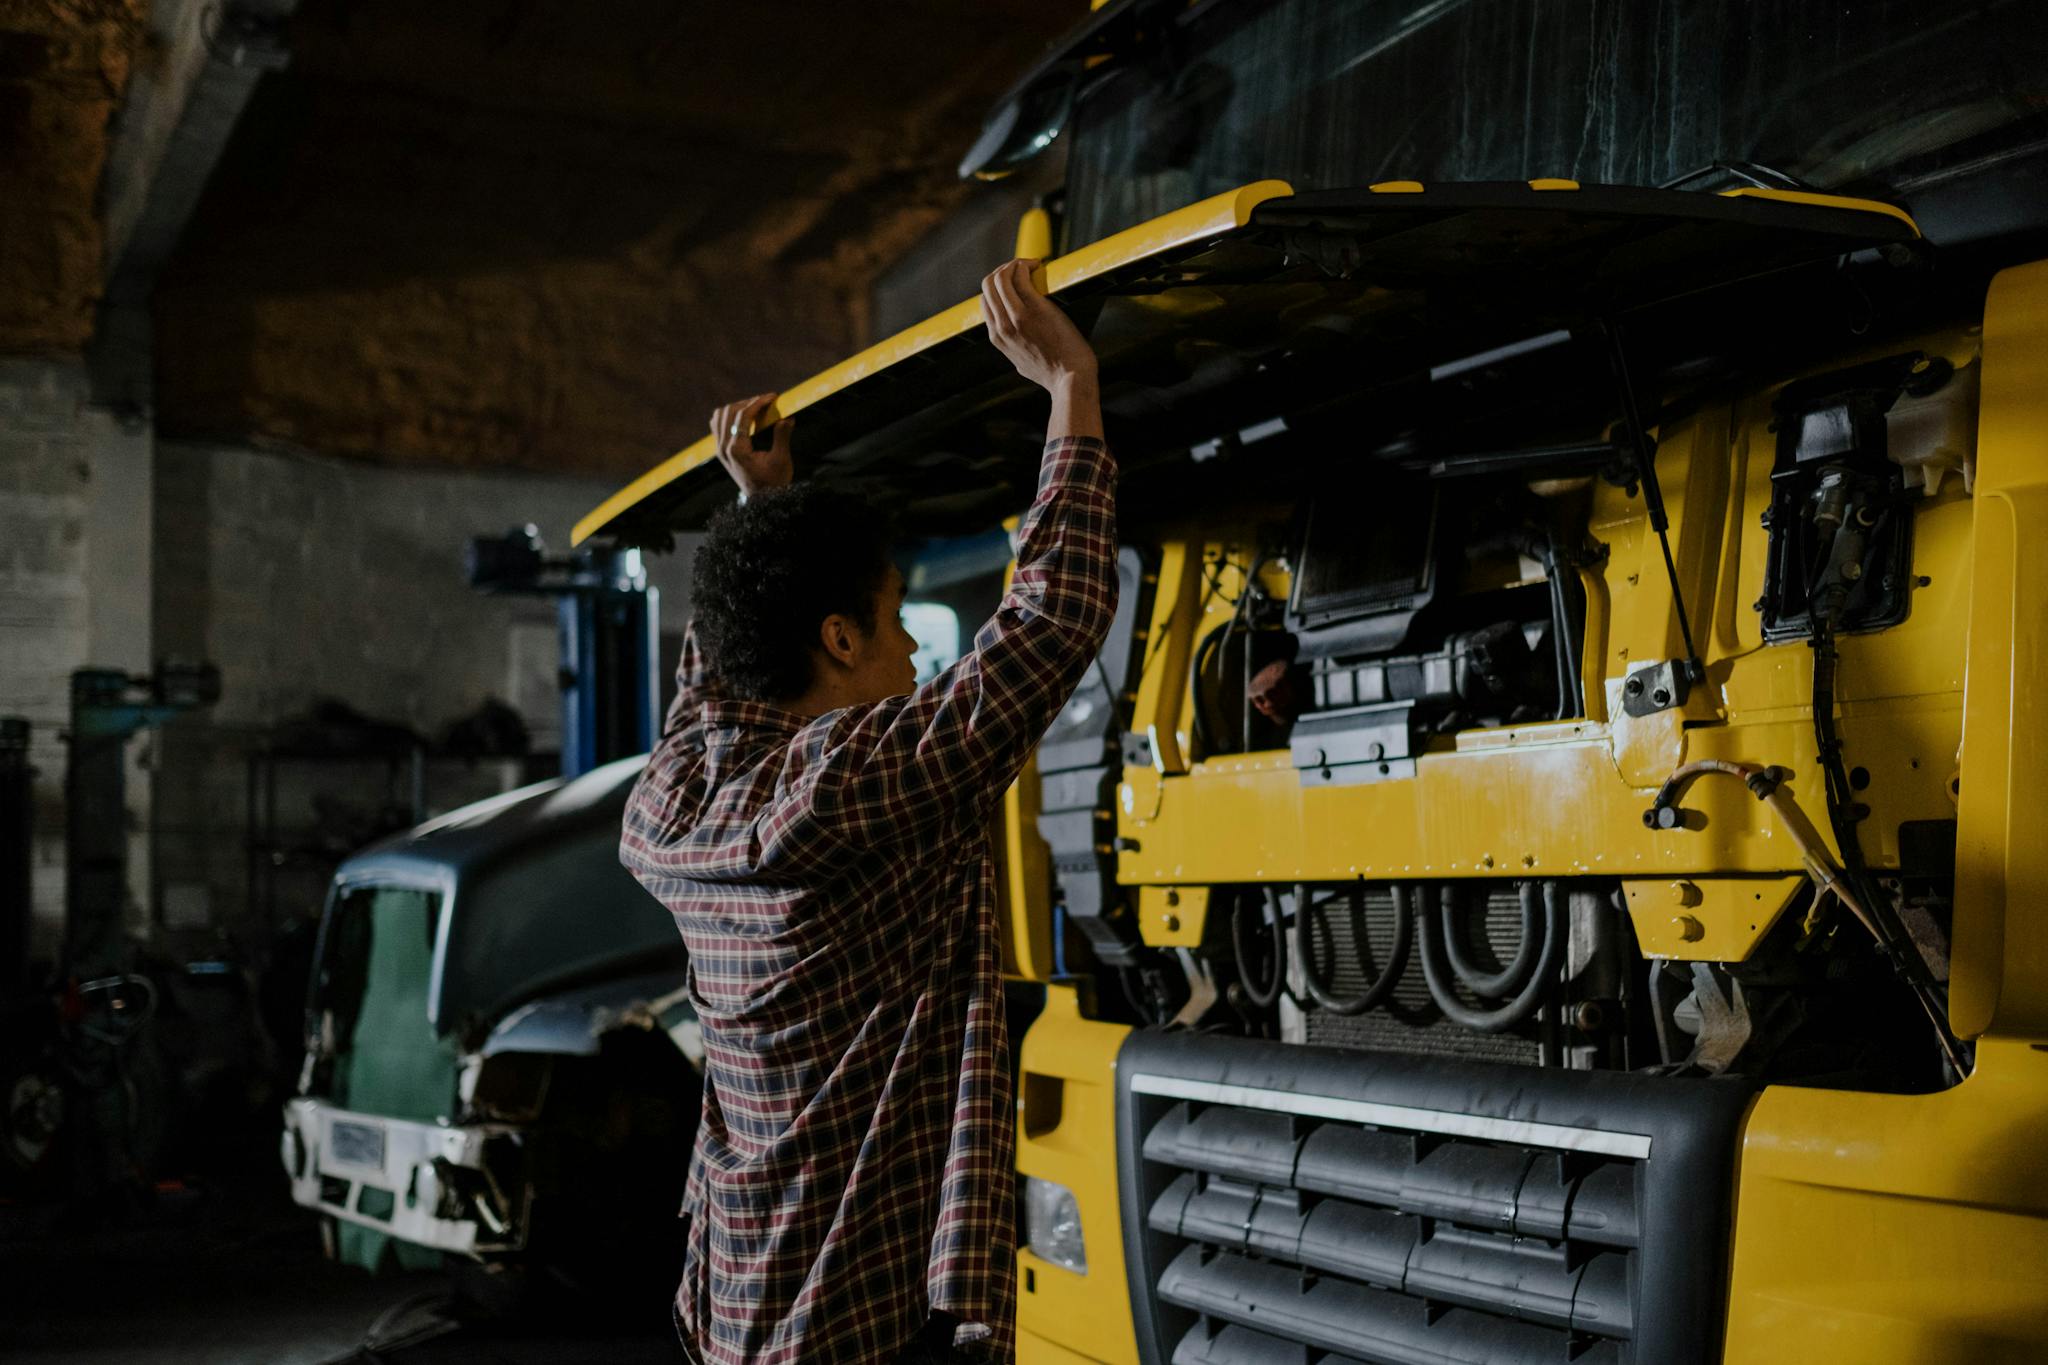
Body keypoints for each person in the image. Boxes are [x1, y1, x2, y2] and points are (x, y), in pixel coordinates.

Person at [620, 259, 1117, 1365]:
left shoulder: (673, 798)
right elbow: (1044, 629)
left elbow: (719, 677)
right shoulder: (843, 781)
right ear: (839, 640)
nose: (906, 652)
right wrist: (1068, 389)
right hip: (856, 1313)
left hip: (738, 1290)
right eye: (893, 623)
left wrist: (764, 507)